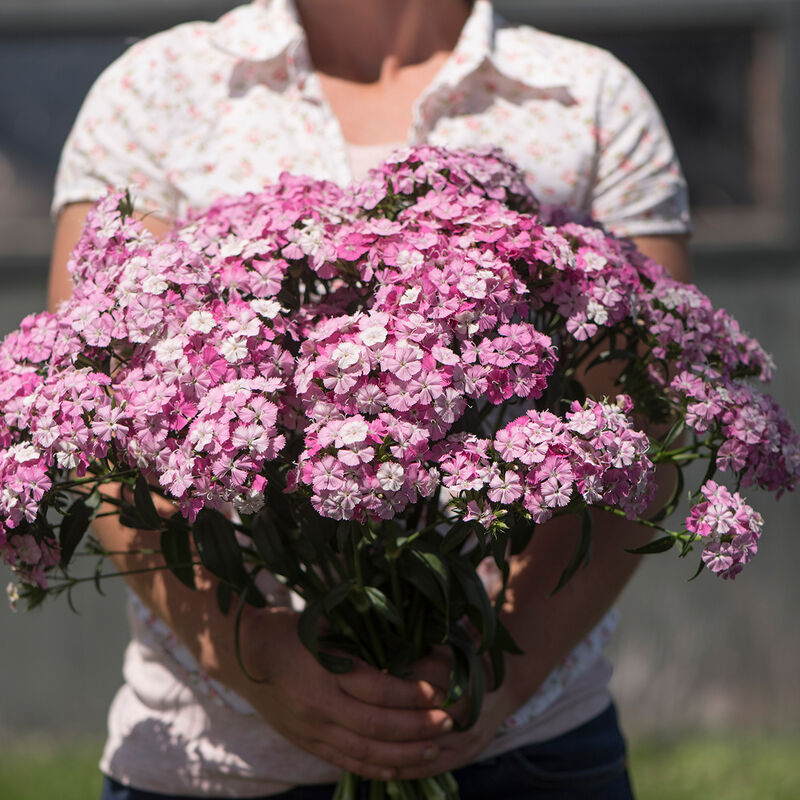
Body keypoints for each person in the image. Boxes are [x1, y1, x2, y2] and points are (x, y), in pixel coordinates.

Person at [48, 1, 692, 798]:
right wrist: (257, 658)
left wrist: (498, 676)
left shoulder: (587, 94)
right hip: (211, 754)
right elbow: (96, 420)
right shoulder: (154, 85)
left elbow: (641, 438)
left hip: (519, 745)